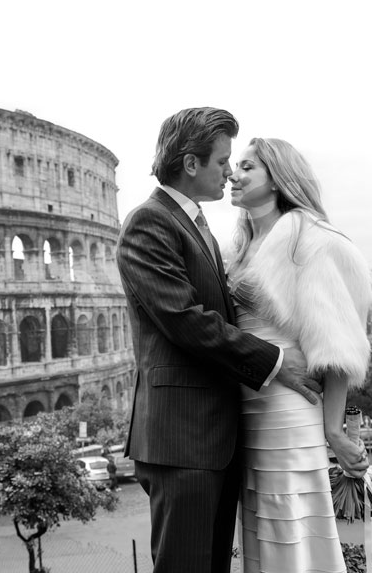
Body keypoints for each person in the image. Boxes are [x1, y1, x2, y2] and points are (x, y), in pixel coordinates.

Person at [116, 108, 324, 573]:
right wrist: (273, 360)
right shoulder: (149, 222)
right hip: (182, 438)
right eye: (222, 160)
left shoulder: (196, 226)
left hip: (210, 438)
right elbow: (185, 319)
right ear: (191, 164)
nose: (229, 172)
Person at [225, 137, 372, 573]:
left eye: (247, 167)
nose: (234, 174)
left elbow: (336, 346)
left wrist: (334, 430)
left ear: (278, 180)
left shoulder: (312, 240)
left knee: (289, 525)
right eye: (234, 166)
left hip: (291, 409)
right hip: (247, 407)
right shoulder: (237, 248)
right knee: (260, 530)